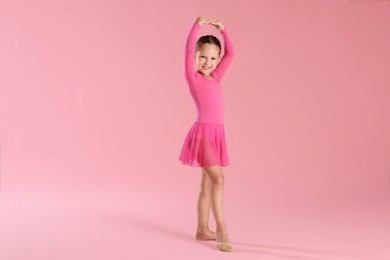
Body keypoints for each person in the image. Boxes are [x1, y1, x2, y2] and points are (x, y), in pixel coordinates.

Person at [178, 16, 235, 252]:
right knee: (218, 179)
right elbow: (188, 47)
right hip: (202, 135)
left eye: (213, 58)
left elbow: (230, 54)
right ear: (195, 58)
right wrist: (197, 26)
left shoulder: (217, 77)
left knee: (207, 185)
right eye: (203, 57)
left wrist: (224, 31)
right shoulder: (193, 78)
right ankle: (221, 227)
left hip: (216, 135)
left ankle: (202, 229)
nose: (208, 62)